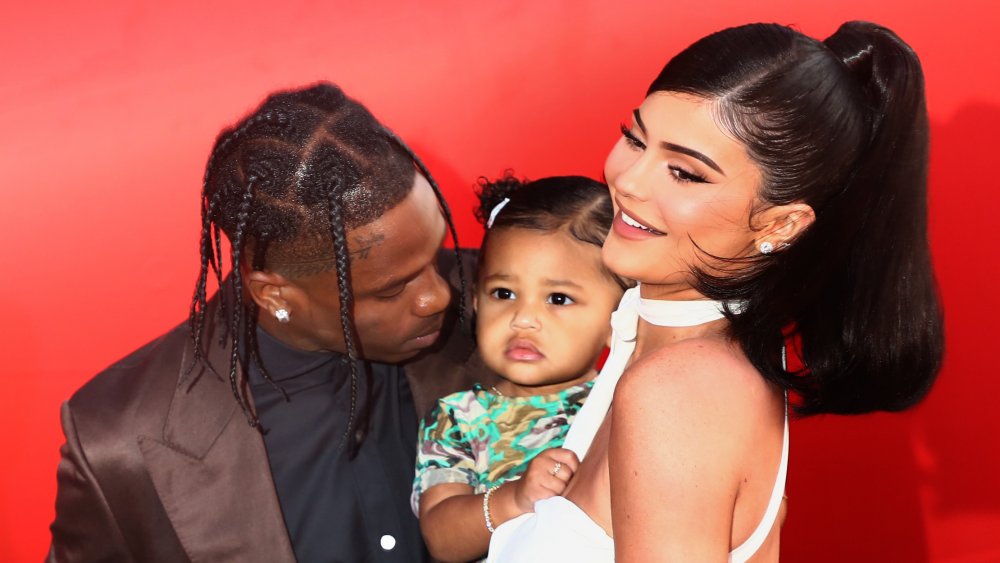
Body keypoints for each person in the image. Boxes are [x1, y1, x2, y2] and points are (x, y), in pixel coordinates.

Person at [487, 21, 944, 562]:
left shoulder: (675, 391)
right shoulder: (670, 346)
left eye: (684, 173)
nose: (629, 180)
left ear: (779, 225)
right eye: (635, 138)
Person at [48, 82, 497, 563]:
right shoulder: (120, 441)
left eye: (436, 254)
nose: (439, 295)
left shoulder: (508, 309)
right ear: (276, 294)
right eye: (391, 289)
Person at [411, 175, 630, 562]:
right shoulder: (460, 418)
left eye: (558, 298)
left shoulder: (628, 407)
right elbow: (442, 538)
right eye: (503, 293)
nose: (523, 319)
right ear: (477, 301)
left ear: (619, 319)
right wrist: (514, 498)